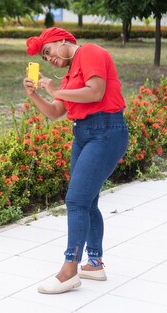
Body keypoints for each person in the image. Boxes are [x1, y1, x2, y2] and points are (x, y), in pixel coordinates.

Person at [22, 27, 128, 294]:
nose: (50, 59)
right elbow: (56, 112)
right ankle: (94, 264)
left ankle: (70, 271)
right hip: (83, 134)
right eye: (45, 58)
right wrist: (36, 94)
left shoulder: (90, 51)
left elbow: (95, 92)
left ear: (63, 41)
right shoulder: (69, 76)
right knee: (87, 201)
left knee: (76, 201)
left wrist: (56, 89)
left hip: (105, 131)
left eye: (49, 51)